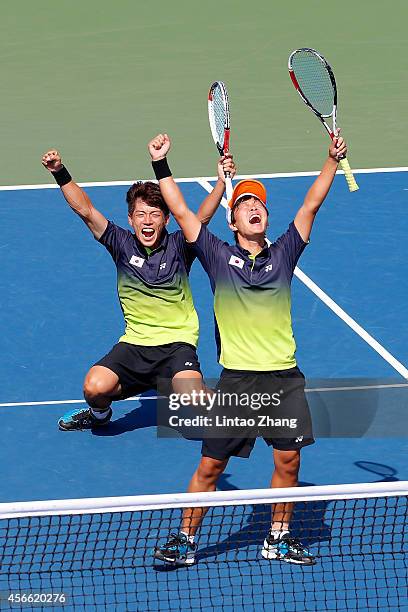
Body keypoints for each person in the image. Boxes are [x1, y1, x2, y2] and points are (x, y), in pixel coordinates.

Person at [150, 131, 348, 566]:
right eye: (243, 204)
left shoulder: (284, 253)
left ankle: (277, 537)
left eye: (258, 203)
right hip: (239, 380)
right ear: (232, 222)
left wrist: (330, 160)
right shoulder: (216, 255)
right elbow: (180, 209)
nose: (253, 207)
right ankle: (185, 539)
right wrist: (160, 163)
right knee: (211, 467)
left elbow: (310, 205)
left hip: (284, 378)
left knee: (289, 462)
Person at [41, 149, 235, 430]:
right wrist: (59, 171)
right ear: (130, 220)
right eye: (140, 214)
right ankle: (99, 416)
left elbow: (201, 218)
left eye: (155, 214)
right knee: (94, 387)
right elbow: (85, 210)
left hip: (176, 344)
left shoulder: (181, 245)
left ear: (166, 220)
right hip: (135, 344)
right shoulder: (121, 244)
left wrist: (220, 183)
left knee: (194, 397)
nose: (147, 221)